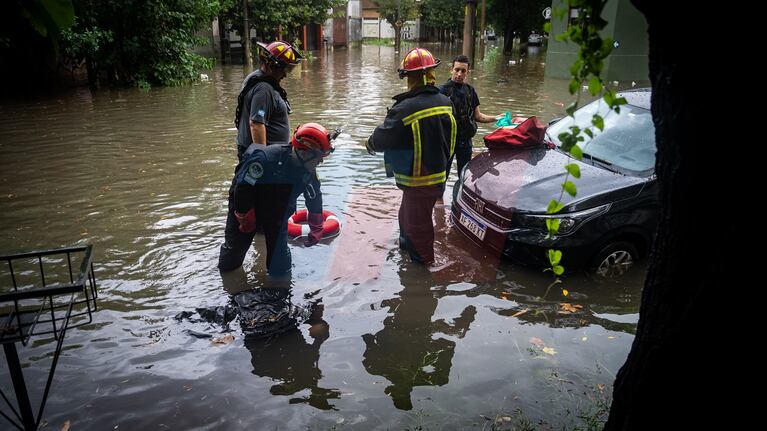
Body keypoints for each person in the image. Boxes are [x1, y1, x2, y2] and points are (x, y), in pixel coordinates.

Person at [366, 47, 456, 266]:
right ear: (431, 74)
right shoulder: (446, 102)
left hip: (418, 180)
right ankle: (405, 256)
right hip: (436, 176)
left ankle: (421, 282)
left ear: (412, 77)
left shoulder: (405, 108)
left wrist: (369, 143)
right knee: (406, 218)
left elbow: (382, 138)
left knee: (418, 230)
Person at [232, 40, 326, 248]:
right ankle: (264, 238)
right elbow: (257, 124)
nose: (286, 74)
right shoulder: (264, 89)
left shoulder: (257, 80)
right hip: (266, 159)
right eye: (284, 69)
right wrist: (265, 162)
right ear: (273, 66)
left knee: (264, 205)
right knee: (267, 205)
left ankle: (263, 237)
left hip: (267, 156)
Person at [218, 123, 336, 275]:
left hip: (277, 210)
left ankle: (280, 291)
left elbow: (314, 197)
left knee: (279, 261)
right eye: (320, 157)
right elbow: (242, 188)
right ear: (305, 153)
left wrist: (316, 226)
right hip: (248, 204)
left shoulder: (308, 172)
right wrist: (244, 216)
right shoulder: (264, 159)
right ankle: (228, 286)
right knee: (235, 251)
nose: (321, 162)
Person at [439, 54, 502, 180]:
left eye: (463, 71)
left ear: (468, 72)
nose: (459, 74)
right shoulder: (442, 91)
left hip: (465, 140)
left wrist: (496, 118)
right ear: (451, 69)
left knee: (465, 174)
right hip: (448, 141)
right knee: (442, 174)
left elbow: (478, 116)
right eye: (457, 70)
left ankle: (460, 196)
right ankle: (439, 198)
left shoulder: (470, 91)